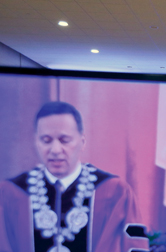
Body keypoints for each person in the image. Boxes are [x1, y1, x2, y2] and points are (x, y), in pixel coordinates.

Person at [0, 102, 148, 252]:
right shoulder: (10, 193)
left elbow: (135, 247)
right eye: (46, 140)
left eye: (64, 140)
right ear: (36, 142)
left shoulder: (115, 192)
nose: (56, 150)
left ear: (82, 142)